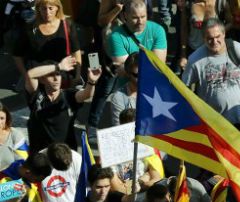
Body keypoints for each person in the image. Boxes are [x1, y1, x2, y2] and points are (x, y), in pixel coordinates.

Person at [88, 0, 167, 133]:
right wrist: (117, 8)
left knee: (156, 131)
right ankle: (91, 125)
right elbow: (130, 71)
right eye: (135, 18)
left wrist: (131, 68)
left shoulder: (157, 30)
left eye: (143, 17)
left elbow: (158, 66)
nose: (140, 21)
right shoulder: (116, 35)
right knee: (104, 90)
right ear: (126, 16)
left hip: (152, 89)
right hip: (126, 90)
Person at [182, 18, 240, 133]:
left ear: (224, 34)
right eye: (210, 39)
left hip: (239, 120)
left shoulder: (238, 50)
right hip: (212, 125)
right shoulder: (195, 59)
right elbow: (183, 87)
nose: (214, 41)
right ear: (203, 38)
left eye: (218, 37)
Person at [25, 57, 100, 153]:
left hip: (66, 155)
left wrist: (92, 81)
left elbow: (87, 94)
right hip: (41, 156)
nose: (56, 79)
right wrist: (59, 66)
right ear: (42, 80)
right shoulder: (36, 97)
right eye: (51, 75)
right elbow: (30, 74)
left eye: (58, 74)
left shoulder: (69, 95)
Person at [11, 0, 81, 87]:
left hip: (62, 78)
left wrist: (77, 76)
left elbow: (76, 51)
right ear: (38, 9)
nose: (47, 12)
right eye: (44, 8)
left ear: (57, 8)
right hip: (38, 80)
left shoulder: (67, 25)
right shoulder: (29, 27)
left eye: (51, 8)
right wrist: (27, 76)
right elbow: (17, 55)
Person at [103, 53, 138, 128]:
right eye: (137, 75)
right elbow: (120, 130)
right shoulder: (119, 98)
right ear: (128, 73)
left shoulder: (156, 91)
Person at [0, 104, 26, 169]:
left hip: (11, 177)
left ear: (7, 119)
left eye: (2, 118)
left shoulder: (15, 135)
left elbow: (23, 162)